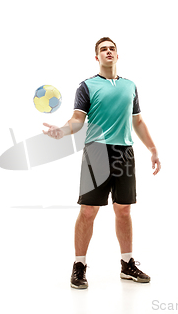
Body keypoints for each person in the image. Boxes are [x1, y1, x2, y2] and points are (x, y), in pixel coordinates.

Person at [42, 37, 161, 289]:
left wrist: (152, 149)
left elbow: (138, 121)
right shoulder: (86, 86)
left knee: (124, 209)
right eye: (103, 49)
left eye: (112, 48)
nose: (108, 51)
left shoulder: (130, 86)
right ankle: (79, 265)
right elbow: (77, 120)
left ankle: (127, 264)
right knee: (88, 210)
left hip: (124, 153)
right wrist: (62, 131)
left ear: (117, 55)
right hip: (96, 152)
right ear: (97, 57)